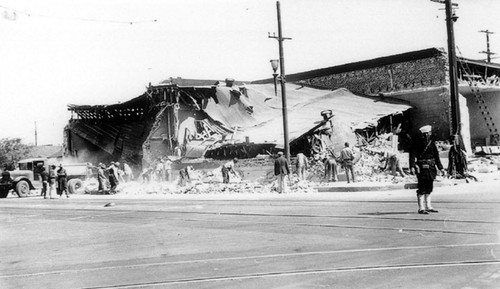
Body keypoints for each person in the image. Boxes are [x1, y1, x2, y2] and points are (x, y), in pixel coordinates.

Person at [410, 125, 445, 214]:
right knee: (422, 187)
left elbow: (437, 157)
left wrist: (441, 168)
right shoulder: (416, 143)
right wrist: (412, 166)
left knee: (429, 187)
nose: (429, 134)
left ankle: (428, 206)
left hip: (431, 168)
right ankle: (421, 208)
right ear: (425, 134)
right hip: (421, 168)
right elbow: (412, 156)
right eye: (428, 133)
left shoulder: (432, 144)